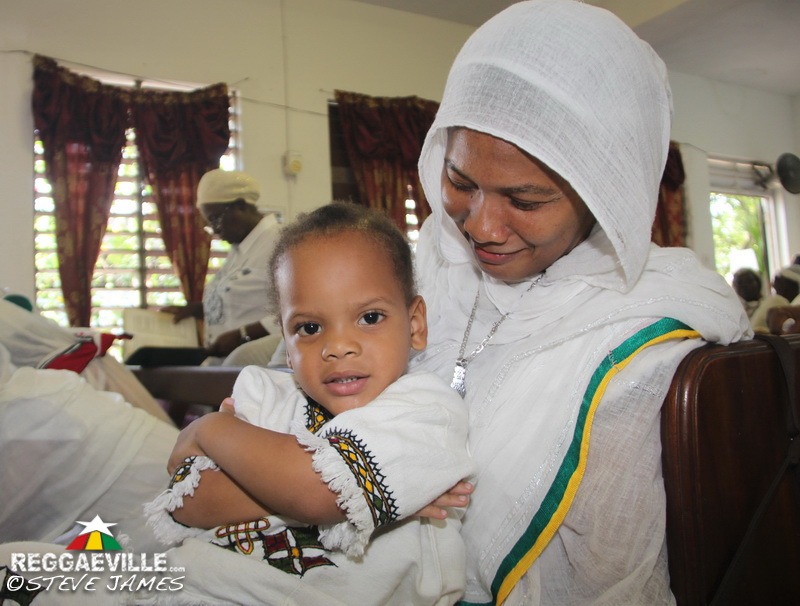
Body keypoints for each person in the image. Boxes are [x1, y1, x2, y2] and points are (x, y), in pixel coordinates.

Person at [0, 2, 753, 605]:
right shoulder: (428, 267)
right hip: (250, 555)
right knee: (45, 568)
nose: (482, 227)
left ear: (607, 191)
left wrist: (219, 447)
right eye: (460, 181)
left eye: (526, 198)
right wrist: (254, 478)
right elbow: (197, 498)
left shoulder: (637, 351)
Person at [141, 202, 473, 604]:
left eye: (370, 317)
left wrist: (211, 431)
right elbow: (187, 501)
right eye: (309, 328)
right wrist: (304, 489)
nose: (338, 347)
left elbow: (317, 492)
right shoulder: (268, 394)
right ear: (284, 336)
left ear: (415, 323)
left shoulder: (425, 412)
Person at [162, 169, 282, 365]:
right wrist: (198, 310)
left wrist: (243, 335)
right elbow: (246, 303)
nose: (216, 230)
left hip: (262, 366)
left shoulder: (281, 242)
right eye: (210, 224)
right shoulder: (238, 250)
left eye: (216, 219)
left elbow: (305, 310)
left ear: (241, 206)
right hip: (225, 365)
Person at [749, 264, 800, 332]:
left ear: (787, 285)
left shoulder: (778, 300)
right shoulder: (777, 301)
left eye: (778, 280)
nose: (773, 285)